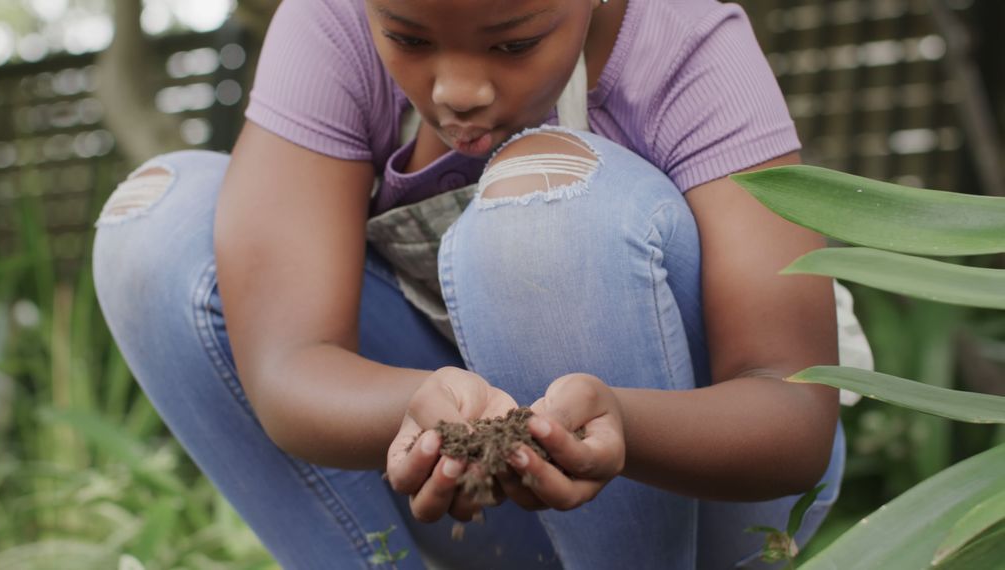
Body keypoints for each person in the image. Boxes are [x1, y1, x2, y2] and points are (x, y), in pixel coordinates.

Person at [92, 0, 849, 567]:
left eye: (514, 41)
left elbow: (791, 413)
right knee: (157, 226)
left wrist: (622, 423)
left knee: (544, 194)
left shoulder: (683, 43)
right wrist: (430, 415)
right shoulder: (332, 24)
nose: (456, 90)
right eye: (409, 37)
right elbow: (288, 363)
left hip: (698, 482)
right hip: (468, 486)